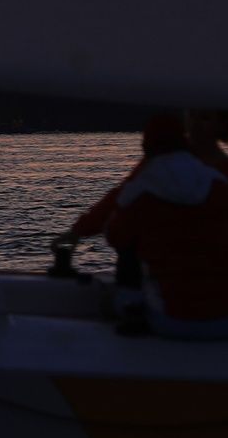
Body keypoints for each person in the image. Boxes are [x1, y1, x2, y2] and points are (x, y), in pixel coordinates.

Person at [103, 114, 228, 340]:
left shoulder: (140, 190)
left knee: (112, 297)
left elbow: (116, 238)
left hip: (174, 320)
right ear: (184, 143)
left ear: (145, 148)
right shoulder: (220, 183)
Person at [60, 114, 191, 327]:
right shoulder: (212, 178)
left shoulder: (144, 182)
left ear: (148, 146)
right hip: (223, 313)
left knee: (109, 301)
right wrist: (80, 229)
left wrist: (82, 230)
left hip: (167, 308)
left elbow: (117, 231)